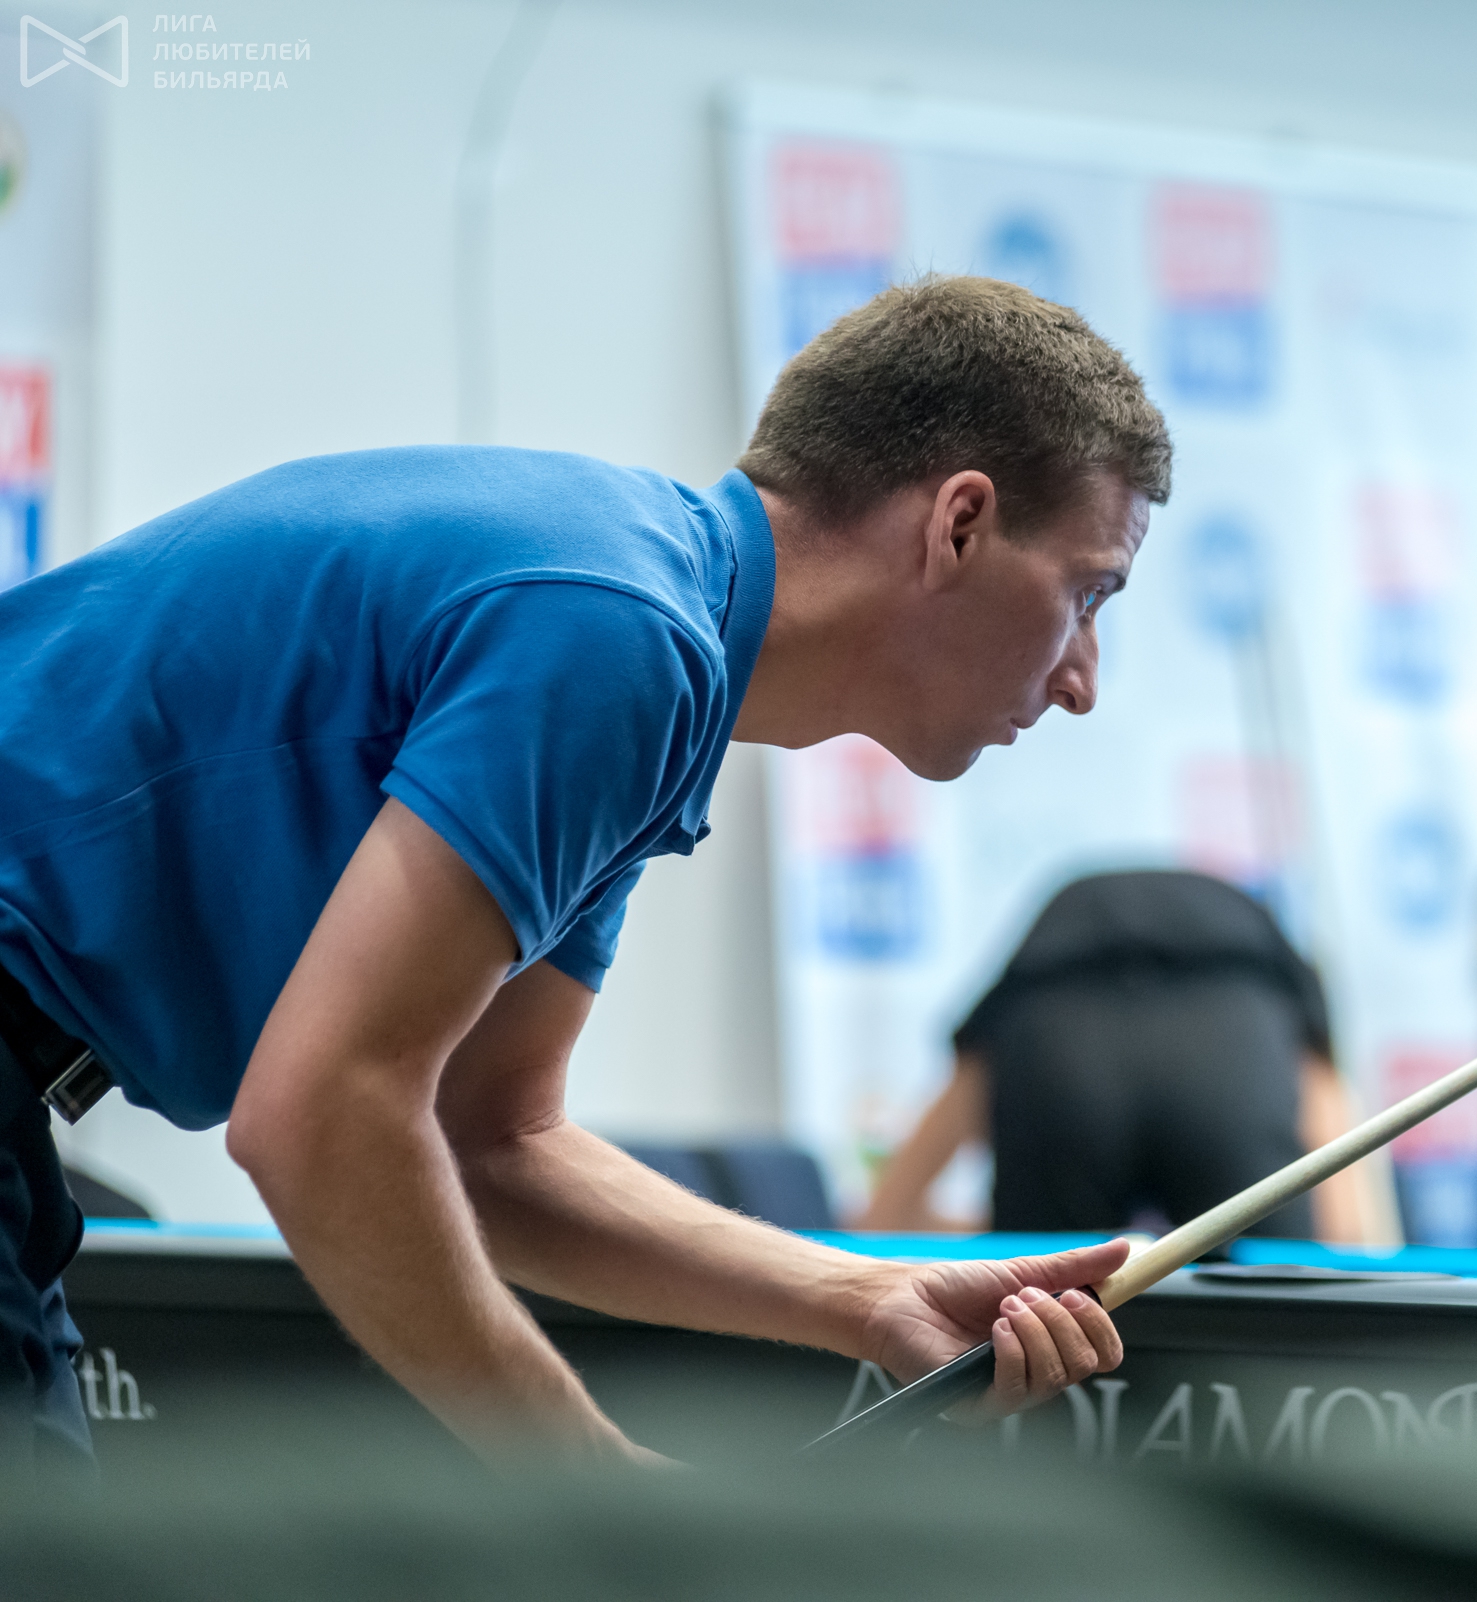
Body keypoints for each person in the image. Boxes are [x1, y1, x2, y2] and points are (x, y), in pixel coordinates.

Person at [0, 276, 1167, 1469]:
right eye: (1087, 594)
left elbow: (491, 1140)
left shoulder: (652, 633)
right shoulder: (620, 636)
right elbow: (321, 1113)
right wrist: (599, 1493)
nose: (1083, 678)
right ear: (959, 524)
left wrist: (865, 1296)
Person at [857, 871, 1368, 1243]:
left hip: (1056, 1036)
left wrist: (1008, 1231)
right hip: (1238, 1032)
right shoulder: (1256, 990)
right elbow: (1350, 1233)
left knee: (1039, 1296)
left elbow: (887, 1219)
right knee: (1274, 1294)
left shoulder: (1041, 987)